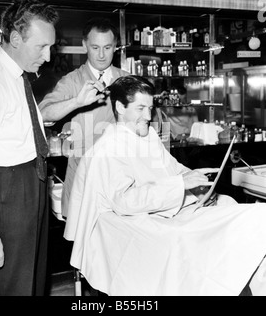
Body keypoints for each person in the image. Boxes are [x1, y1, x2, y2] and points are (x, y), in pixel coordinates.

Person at [64, 75, 266, 296]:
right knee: (186, 238)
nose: (148, 116)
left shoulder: (147, 135)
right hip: (132, 223)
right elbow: (124, 201)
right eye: (140, 108)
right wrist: (180, 185)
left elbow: (173, 168)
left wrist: (196, 180)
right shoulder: (109, 148)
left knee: (248, 212)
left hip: (163, 210)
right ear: (120, 107)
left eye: (150, 108)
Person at [0, 0, 59, 296]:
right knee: (11, 287)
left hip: (31, 184)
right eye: (41, 47)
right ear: (16, 39)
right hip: (9, 193)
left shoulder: (17, 76)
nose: (48, 56)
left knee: (31, 282)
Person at [39, 17, 129, 218]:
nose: (101, 54)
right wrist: (76, 102)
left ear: (115, 47)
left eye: (107, 47)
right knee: (82, 241)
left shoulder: (126, 80)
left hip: (119, 174)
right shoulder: (72, 81)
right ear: (84, 45)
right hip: (83, 174)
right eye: (95, 47)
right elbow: (43, 113)